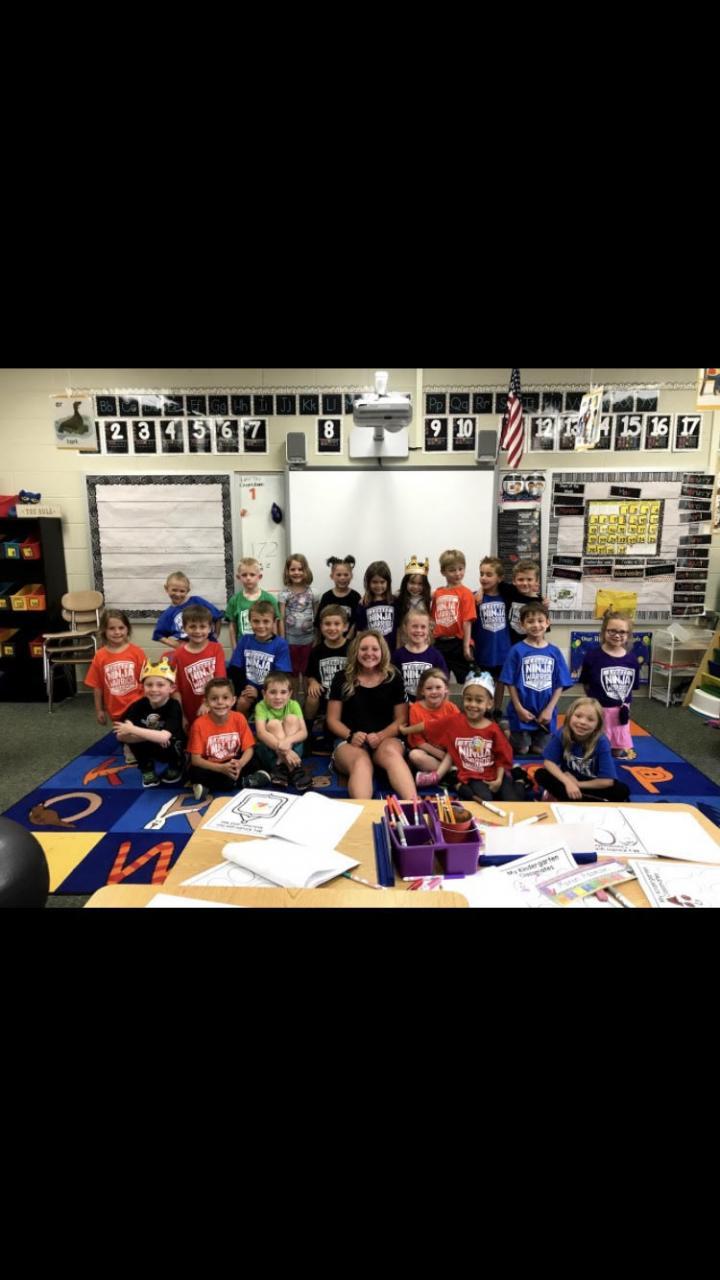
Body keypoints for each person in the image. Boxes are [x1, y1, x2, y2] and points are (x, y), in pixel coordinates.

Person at [326, 630, 416, 800]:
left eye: (375, 649)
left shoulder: (393, 676)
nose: (369, 653)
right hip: (350, 741)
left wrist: (381, 735)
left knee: (391, 754)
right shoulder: (341, 678)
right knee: (361, 762)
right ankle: (364, 813)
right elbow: (332, 720)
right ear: (356, 651)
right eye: (364, 649)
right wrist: (350, 735)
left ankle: (415, 807)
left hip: (386, 738)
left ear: (382, 652)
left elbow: (402, 719)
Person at [416, 672, 526, 801]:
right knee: (484, 799)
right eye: (469, 699)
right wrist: (405, 730)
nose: (473, 704)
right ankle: (456, 783)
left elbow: (502, 756)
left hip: (495, 772)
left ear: (489, 704)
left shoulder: (494, 730)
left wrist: (499, 779)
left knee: (513, 800)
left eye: (479, 701)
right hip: (472, 775)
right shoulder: (456, 721)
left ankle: (519, 779)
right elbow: (430, 725)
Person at [500, 603, 574, 756]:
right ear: (522, 625)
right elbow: (509, 682)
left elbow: (560, 683)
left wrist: (549, 710)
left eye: (540, 621)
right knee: (522, 750)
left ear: (548, 623)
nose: (536, 625)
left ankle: (529, 734)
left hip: (545, 713)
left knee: (540, 751)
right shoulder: (516, 651)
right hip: (521, 712)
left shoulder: (554, 652)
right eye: (530, 621)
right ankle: (506, 729)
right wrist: (519, 708)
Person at [534, 696, 631, 803]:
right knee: (541, 774)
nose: (583, 722)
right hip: (568, 779)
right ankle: (587, 800)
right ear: (570, 716)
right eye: (578, 716)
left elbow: (607, 781)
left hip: (591, 784)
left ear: (597, 725)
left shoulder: (601, 742)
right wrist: (567, 782)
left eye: (590, 719)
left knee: (622, 790)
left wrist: (577, 785)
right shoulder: (563, 733)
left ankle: (569, 798)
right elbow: (548, 762)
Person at [187, 677, 270, 800]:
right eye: (214, 699)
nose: (220, 702)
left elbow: (249, 748)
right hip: (212, 766)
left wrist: (240, 764)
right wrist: (221, 768)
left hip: (234, 762)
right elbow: (196, 760)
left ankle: (211, 786)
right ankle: (244, 782)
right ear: (206, 702)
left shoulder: (239, 718)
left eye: (225, 698)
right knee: (194, 772)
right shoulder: (199, 724)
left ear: (233, 700)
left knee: (255, 758)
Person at [112, 658, 186, 789]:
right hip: (152, 742)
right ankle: (147, 769)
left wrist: (133, 730)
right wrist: (150, 736)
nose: (154, 689)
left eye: (160, 685)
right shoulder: (138, 705)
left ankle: (175, 765)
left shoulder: (174, 706)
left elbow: (164, 737)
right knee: (134, 740)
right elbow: (120, 736)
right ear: (142, 687)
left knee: (172, 741)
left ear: (172, 688)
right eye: (149, 685)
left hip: (169, 743)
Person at [579, 611, 640, 759]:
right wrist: (593, 702)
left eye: (622, 632)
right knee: (595, 748)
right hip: (599, 708)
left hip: (620, 710)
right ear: (603, 632)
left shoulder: (631, 659)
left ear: (628, 635)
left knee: (617, 749)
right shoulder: (592, 656)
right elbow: (586, 683)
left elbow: (631, 686)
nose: (617, 635)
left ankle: (614, 754)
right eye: (612, 631)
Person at [227, 600, 292, 716]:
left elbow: (281, 677)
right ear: (250, 621)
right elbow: (235, 670)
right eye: (256, 621)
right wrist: (246, 689)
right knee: (242, 702)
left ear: (274, 622)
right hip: (248, 690)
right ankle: (243, 725)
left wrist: (262, 692)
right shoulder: (245, 640)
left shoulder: (280, 644)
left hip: (271, 692)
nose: (261, 626)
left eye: (266, 621)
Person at [167, 604, 226, 728]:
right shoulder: (178, 654)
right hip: (189, 710)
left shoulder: (216, 649)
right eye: (192, 626)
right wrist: (181, 715)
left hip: (214, 706)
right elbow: (175, 688)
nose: (198, 631)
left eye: (202, 626)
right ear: (184, 628)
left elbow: (220, 679)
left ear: (210, 628)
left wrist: (207, 702)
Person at [84, 608, 146, 726]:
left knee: (134, 733)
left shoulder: (137, 652)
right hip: (115, 710)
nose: (117, 632)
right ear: (104, 630)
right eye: (112, 628)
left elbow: (145, 681)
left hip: (138, 705)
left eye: (121, 628)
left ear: (127, 629)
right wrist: (99, 710)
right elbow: (97, 686)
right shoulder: (100, 656)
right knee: (122, 734)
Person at [401, 666, 461, 782]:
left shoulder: (451, 708)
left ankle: (442, 774)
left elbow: (459, 735)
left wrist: (450, 755)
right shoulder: (416, 709)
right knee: (415, 755)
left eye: (438, 687)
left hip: (450, 752)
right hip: (430, 752)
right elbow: (419, 742)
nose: (434, 692)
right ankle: (451, 772)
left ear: (446, 689)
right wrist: (441, 755)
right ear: (422, 691)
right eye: (429, 688)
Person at [253, 672, 312, 791]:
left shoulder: (294, 705)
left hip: (292, 750)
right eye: (273, 692)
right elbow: (260, 733)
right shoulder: (261, 706)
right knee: (273, 724)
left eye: (283, 692)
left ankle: (282, 768)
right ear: (264, 694)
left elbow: (304, 732)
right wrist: (286, 751)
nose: (278, 697)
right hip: (272, 753)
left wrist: (287, 742)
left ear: (290, 694)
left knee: (291, 719)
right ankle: (293, 769)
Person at [304, 604, 350, 748]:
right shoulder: (316, 651)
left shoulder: (352, 648)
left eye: (336, 624)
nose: (332, 628)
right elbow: (310, 674)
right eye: (327, 624)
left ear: (345, 627)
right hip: (325, 695)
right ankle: (307, 731)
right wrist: (312, 682)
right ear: (321, 626)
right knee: (312, 696)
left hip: (345, 697)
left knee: (331, 737)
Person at [470, 556, 511, 719]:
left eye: (489, 574)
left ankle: (497, 710)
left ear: (499, 578)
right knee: (484, 682)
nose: (484, 578)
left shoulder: (507, 597)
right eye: (481, 574)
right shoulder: (475, 598)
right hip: (483, 648)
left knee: (500, 681)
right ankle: (484, 710)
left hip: (502, 649)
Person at [430, 548, 476, 683]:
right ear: (443, 572)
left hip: (458, 643)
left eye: (460, 569)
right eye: (452, 570)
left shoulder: (466, 593)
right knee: (439, 680)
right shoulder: (438, 593)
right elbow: (432, 618)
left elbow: (467, 621)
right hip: (439, 643)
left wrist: (466, 646)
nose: (457, 573)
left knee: (467, 680)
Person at [152, 571, 224, 649]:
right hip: (188, 650)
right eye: (174, 590)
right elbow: (158, 635)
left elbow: (217, 616)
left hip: (208, 646)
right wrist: (177, 645)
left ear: (188, 590)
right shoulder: (167, 614)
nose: (178, 594)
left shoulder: (197, 601)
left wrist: (216, 635)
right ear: (166, 588)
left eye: (182, 591)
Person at [277, 553, 318, 683]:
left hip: (309, 640)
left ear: (306, 570)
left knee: (306, 673)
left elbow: (317, 618)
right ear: (287, 571)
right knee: (292, 674)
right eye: (293, 569)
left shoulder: (313, 593)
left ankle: (305, 695)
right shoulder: (284, 594)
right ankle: (293, 696)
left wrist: (317, 638)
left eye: (300, 569)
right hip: (290, 641)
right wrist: (282, 639)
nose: (296, 572)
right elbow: (281, 618)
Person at [391, 608, 448, 700]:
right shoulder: (398, 655)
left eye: (423, 627)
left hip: (429, 704)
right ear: (405, 628)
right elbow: (393, 682)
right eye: (414, 626)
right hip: (405, 704)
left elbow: (443, 680)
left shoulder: (435, 655)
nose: (418, 630)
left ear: (429, 629)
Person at [224, 557, 280, 649]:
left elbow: (274, 624)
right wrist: (235, 648)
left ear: (259, 577)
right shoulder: (234, 600)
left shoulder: (270, 599)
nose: (248, 578)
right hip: (244, 648)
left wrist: (273, 646)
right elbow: (232, 626)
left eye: (252, 574)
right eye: (244, 575)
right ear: (238, 577)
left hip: (265, 647)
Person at [355, 560, 398, 650]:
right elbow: (359, 631)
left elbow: (399, 629)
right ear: (368, 583)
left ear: (388, 582)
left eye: (382, 582)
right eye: (374, 582)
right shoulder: (363, 604)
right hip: (371, 651)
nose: (378, 586)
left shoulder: (394, 602)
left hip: (391, 650)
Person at [314, 555, 360, 637]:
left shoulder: (355, 597)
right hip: (328, 639)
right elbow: (319, 621)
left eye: (346, 575)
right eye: (338, 575)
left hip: (349, 641)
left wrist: (348, 639)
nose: (342, 578)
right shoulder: (326, 597)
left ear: (351, 576)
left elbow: (357, 622)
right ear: (332, 576)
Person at [395, 556, 432, 636]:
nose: (415, 587)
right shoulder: (398, 597)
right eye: (412, 583)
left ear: (425, 585)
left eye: (420, 584)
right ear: (406, 583)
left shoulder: (428, 598)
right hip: (404, 636)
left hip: (421, 635)